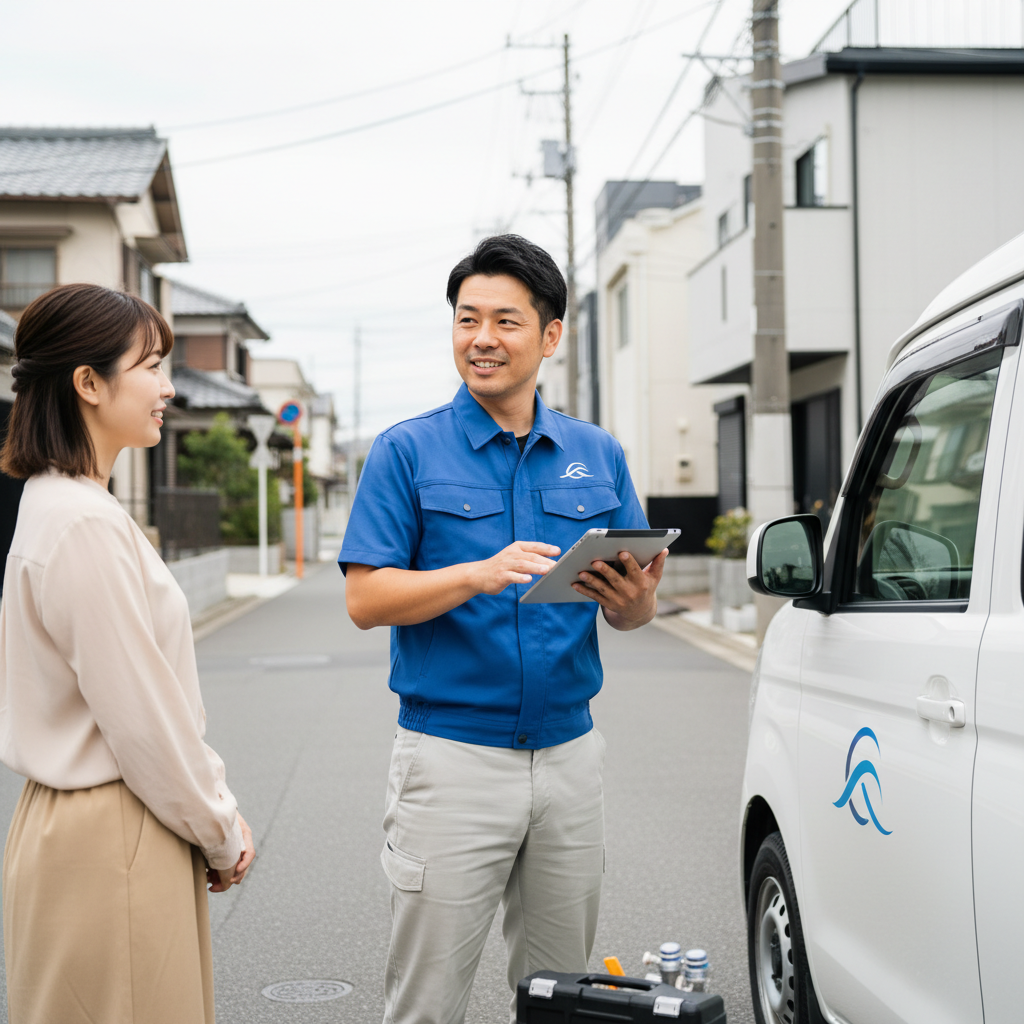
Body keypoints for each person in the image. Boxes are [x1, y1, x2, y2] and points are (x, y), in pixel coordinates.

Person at [341, 234, 665, 1024]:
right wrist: (475, 574)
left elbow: (636, 607)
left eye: (505, 322)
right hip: (450, 758)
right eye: (466, 319)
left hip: (570, 756)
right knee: (427, 1002)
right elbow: (366, 599)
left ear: (550, 335)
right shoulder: (406, 451)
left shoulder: (597, 452)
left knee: (561, 994)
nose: (481, 339)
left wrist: (629, 603)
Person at [0, 283, 255, 1024]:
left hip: (80, 824)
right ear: (88, 383)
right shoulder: (83, 522)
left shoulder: (59, 504)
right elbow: (142, 719)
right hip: (115, 829)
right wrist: (219, 828)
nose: (168, 387)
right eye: (149, 366)